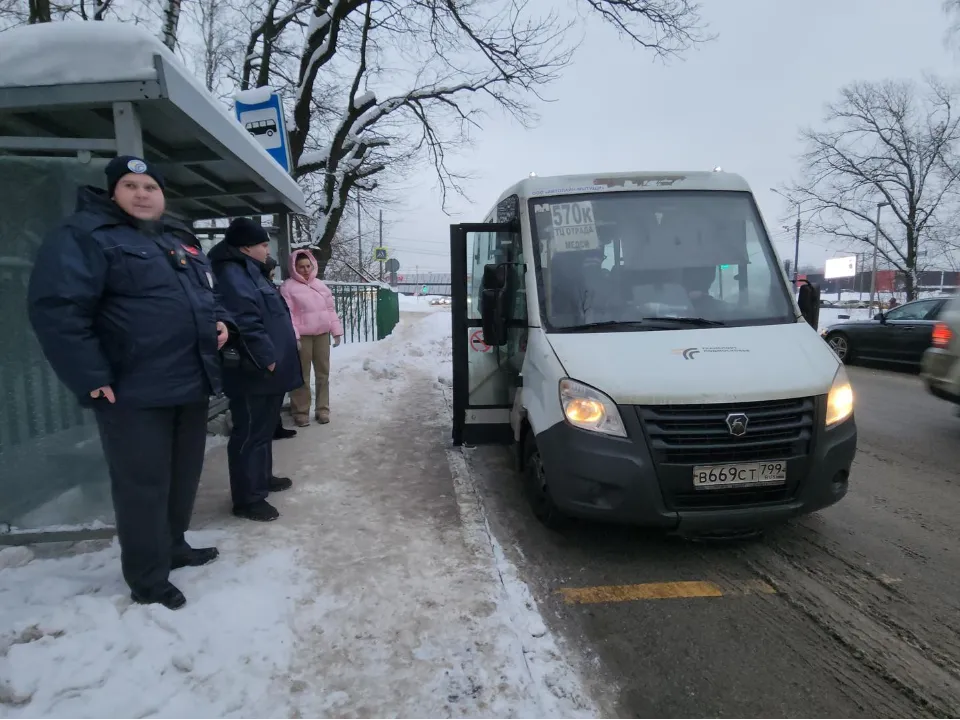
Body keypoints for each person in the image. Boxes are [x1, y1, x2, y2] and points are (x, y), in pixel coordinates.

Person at [27, 155, 231, 611]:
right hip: (132, 390)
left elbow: (206, 297)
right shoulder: (85, 236)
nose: (142, 194)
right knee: (143, 486)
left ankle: (174, 545)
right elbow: (58, 311)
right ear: (112, 192)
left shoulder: (177, 237)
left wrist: (221, 323)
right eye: (130, 185)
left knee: (182, 479)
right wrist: (91, 377)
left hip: (189, 382)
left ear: (163, 195)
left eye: (150, 187)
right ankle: (147, 577)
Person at [208, 218, 302, 522]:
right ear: (246, 247)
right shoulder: (232, 274)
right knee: (249, 432)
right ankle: (248, 499)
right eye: (263, 244)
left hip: (267, 366)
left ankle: (261, 479)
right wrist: (266, 357)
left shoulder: (251, 272)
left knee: (262, 430)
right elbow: (245, 320)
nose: (267, 249)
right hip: (254, 368)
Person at [280, 249, 344, 426]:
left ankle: (323, 409)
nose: (306, 270)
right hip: (304, 337)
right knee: (302, 375)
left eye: (308, 266)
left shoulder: (320, 285)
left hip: (322, 335)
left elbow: (330, 310)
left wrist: (336, 331)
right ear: (294, 267)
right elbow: (288, 315)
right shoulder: (288, 287)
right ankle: (300, 411)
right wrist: (296, 337)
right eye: (301, 267)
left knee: (323, 374)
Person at [263, 255, 297, 441]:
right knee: (271, 389)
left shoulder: (269, 286)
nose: (272, 276)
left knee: (277, 389)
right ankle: (271, 427)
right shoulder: (261, 287)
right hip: (269, 344)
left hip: (277, 342)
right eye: (271, 272)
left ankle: (276, 426)